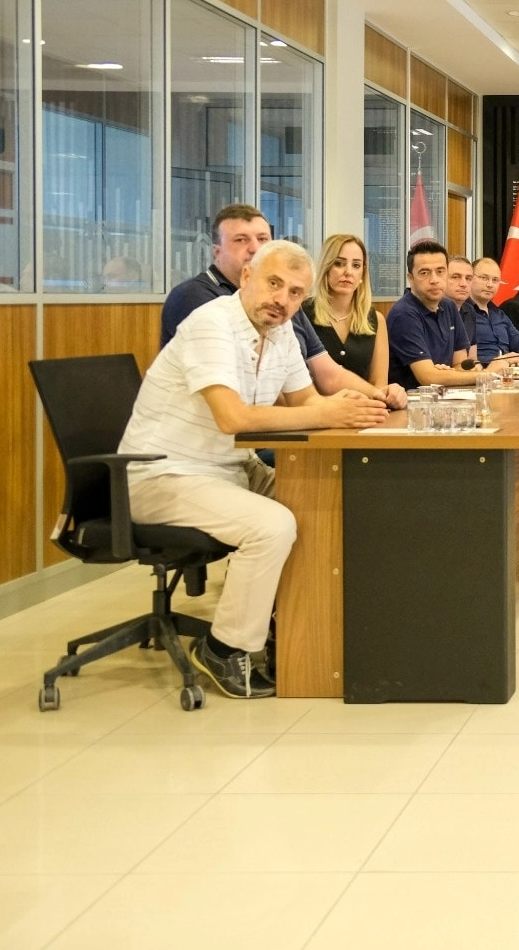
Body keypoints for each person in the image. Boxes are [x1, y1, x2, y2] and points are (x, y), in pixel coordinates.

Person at [120, 240, 388, 698]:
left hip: (228, 468)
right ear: (246, 277)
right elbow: (234, 418)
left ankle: (300, 634)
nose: (282, 299)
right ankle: (223, 649)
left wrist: (360, 403)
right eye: (274, 283)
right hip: (163, 473)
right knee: (272, 525)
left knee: (328, 498)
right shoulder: (211, 325)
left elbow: (307, 401)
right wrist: (327, 412)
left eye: (295, 293)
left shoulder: (281, 333)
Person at [161, 203, 403, 409]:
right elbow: (238, 409)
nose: (255, 248)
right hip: (199, 445)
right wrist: (328, 412)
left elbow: (322, 379)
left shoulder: (278, 309)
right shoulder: (201, 303)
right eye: (241, 240)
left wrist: (378, 398)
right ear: (218, 253)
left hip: (252, 440)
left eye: (262, 239)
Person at [387, 241, 518, 390]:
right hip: (411, 399)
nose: (434, 280)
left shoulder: (448, 306)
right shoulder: (404, 314)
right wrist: (487, 374)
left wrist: (446, 373)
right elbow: (427, 377)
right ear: (411, 278)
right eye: (424, 273)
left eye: (440, 271)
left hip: (446, 394)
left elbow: (461, 364)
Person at [301, 234, 394, 393]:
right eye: (339, 263)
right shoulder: (302, 314)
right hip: (315, 406)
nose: (348, 272)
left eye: (356, 265)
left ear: (362, 273)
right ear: (326, 267)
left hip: (364, 405)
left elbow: (379, 385)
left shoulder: (375, 320)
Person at [468, 257, 519, 365]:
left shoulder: (500, 315)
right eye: (484, 278)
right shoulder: (461, 312)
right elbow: (463, 359)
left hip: (509, 372)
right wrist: (501, 361)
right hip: (481, 373)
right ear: (470, 278)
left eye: (495, 280)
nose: (490, 285)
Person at [446, 256, 479, 361]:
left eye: (468, 278)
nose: (463, 284)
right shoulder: (433, 312)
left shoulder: (469, 310)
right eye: (456, 277)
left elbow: (472, 360)